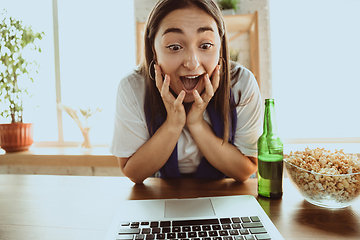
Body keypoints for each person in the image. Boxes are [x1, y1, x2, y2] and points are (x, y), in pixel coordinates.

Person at [110, 0, 262, 184]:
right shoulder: (133, 88)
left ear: (220, 44)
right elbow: (133, 171)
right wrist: (173, 123)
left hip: (226, 194)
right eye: (175, 47)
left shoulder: (240, 84)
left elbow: (245, 170)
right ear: (153, 47)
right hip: (161, 196)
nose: (192, 63)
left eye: (205, 46)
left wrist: (196, 123)